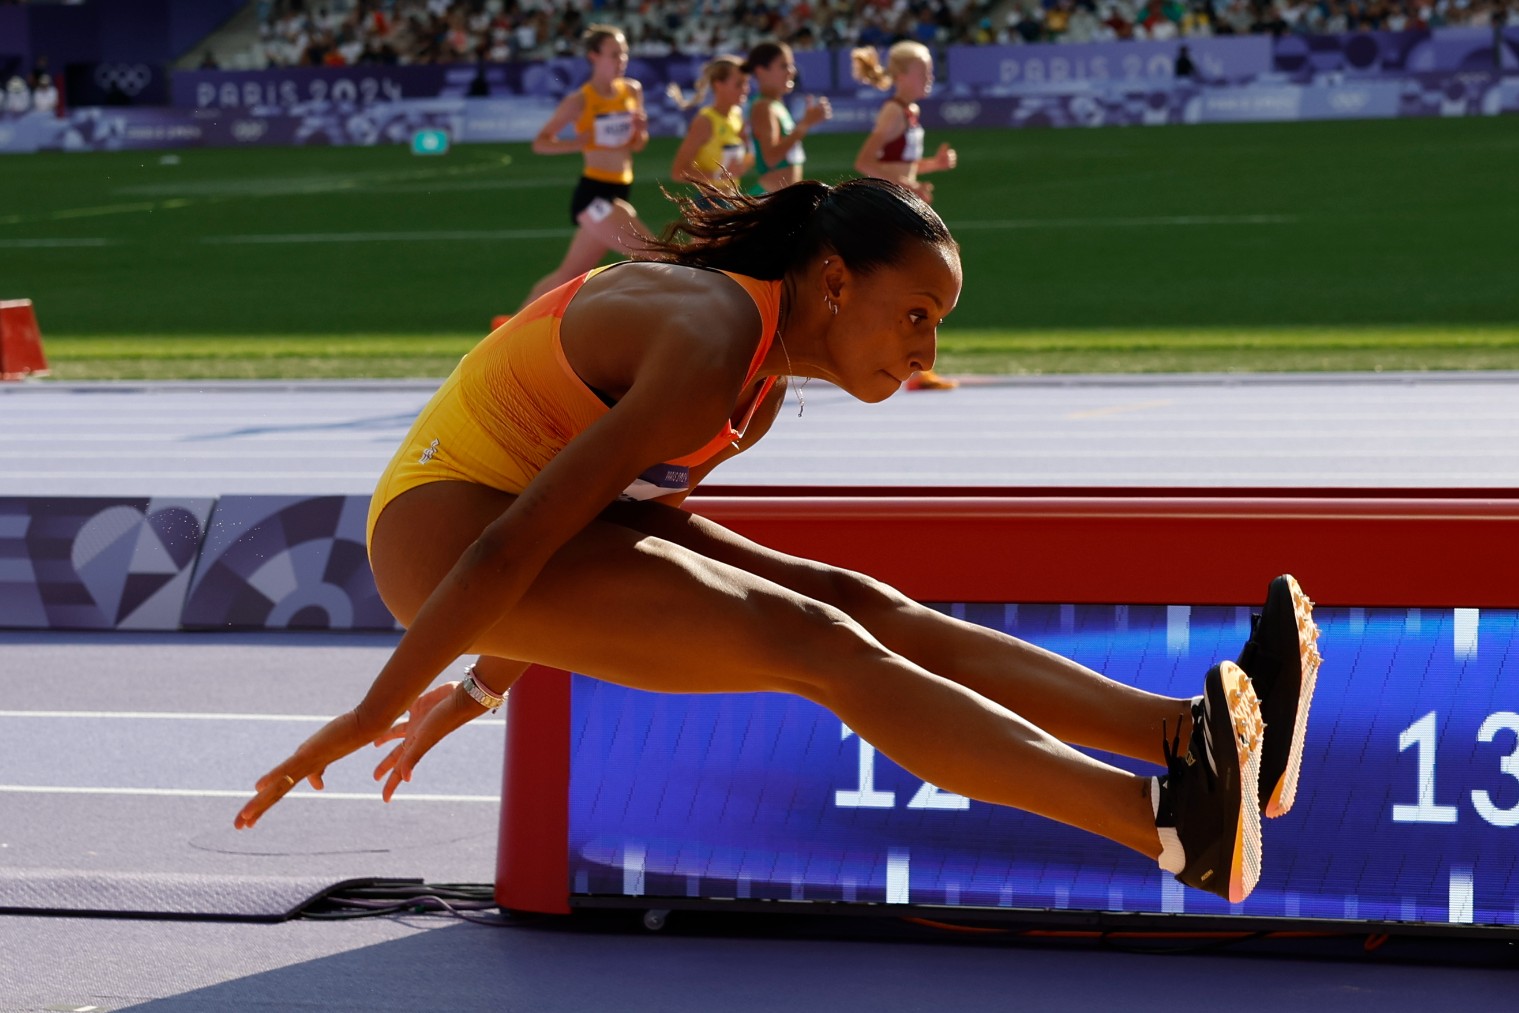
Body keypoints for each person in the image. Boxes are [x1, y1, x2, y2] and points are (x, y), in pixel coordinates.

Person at [233, 178, 1323, 905]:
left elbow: (598, 544)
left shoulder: (748, 389)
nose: (928, 347)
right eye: (915, 315)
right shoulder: (710, 344)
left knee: (866, 607)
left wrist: (477, 689)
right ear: (836, 280)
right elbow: (510, 551)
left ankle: (1194, 736)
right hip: (442, 541)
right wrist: (377, 708)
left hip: (525, 534)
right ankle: (1164, 822)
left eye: (939, 323)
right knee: (817, 640)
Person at [506, 24, 656, 325]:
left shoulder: (632, 90)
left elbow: (637, 145)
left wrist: (640, 132)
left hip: (620, 186)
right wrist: (581, 142)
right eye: (614, 54)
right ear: (594, 56)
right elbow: (541, 142)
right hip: (595, 195)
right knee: (654, 256)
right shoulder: (581, 100)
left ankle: (509, 327)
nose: (621, 59)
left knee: (568, 275)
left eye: (624, 53)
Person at [851, 41, 960, 391]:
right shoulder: (893, 112)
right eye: (922, 71)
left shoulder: (910, 110)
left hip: (903, 205)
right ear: (900, 76)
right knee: (905, 289)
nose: (929, 76)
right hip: (891, 211)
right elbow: (865, 163)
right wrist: (906, 187)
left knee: (913, 288)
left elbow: (900, 164)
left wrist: (931, 167)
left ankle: (912, 368)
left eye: (930, 70)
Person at [744, 41, 832, 195]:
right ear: (761, 72)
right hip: (769, 198)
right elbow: (770, 159)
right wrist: (805, 124)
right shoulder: (763, 107)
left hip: (780, 196)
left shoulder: (775, 104)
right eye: (783, 66)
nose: (792, 71)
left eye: (791, 65)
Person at [668, 55, 752, 205]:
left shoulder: (737, 115)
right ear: (719, 85)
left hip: (733, 200)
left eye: (746, 83)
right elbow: (678, 172)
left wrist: (745, 162)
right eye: (739, 84)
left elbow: (741, 162)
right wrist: (718, 175)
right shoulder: (705, 121)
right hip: (710, 204)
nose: (745, 89)